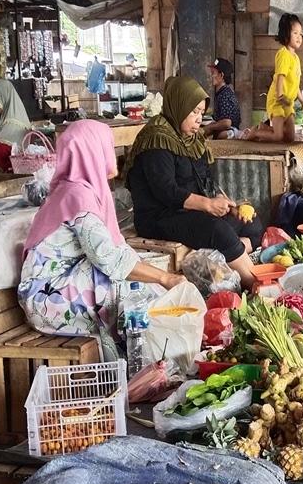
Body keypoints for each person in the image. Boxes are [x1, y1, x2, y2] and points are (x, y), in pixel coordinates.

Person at [19, 120, 185, 361]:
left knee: (141, 281)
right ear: (92, 151)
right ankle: (139, 364)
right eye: (107, 146)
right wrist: (165, 277)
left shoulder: (81, 189)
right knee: (123, 286)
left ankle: (150, 359)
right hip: (46, 299)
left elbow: (116, 249)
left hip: (61, 287)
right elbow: (110, 259)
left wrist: (159, 279)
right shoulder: (77, 195)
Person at [124, 75, 260, 288]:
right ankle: (255, 285)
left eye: (201, 113)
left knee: (252, 224)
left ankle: (225, 261)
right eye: (194, 112)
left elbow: (204, 179)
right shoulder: (156, 139)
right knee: (219, 231)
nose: (199, 119)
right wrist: (207, 205)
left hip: (192, 212)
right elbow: (166, 191)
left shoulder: (191, 139)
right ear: (178, 106)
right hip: (161, 217)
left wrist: (224, 204)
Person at [246, 14, 303, 143]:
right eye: (295, 33)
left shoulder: (296, 58)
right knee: (278, 137)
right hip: (278, 101)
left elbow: (295, 84)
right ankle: (255, 132)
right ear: (286, 34)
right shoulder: (283, 54)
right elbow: (280, 77)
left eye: (301, 34)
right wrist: (281, 96)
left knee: (290, 138)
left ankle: (263, 128)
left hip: (288, 103)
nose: (299, 37)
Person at [204, 58, 242, 139]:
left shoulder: (225, 94)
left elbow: (226, 123)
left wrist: (209, 127)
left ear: (221, 75)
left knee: (222, 134)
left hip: (231, 129)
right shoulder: (221, 92)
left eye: (213, 73)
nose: (210, 76)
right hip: (225, 128)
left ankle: (234, 134)